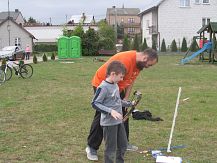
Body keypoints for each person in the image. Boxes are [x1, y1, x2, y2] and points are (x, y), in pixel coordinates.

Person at [86, 49, 158, 161]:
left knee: (123, 111)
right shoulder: (126, 60)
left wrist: (126, 98)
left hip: (117, 86)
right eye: (149, 65)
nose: (148, 67)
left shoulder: (139, 65)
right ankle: (92, 147)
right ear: (145, 58)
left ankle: (123, 142)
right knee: (102, 114)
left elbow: (130, 81)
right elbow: (113, 80)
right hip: (104, 84)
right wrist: (113, 106)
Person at [91, 61, 134, 163]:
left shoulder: (115, 84)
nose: (122, 79)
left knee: (123, 145)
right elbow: (95, 103)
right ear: (113, 74)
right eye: (121, 77)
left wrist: (128, 104)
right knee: (111, 149)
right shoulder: (103, 87)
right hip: (109, 123)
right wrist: (111, 112)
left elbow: (116, 100)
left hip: (118, 122)